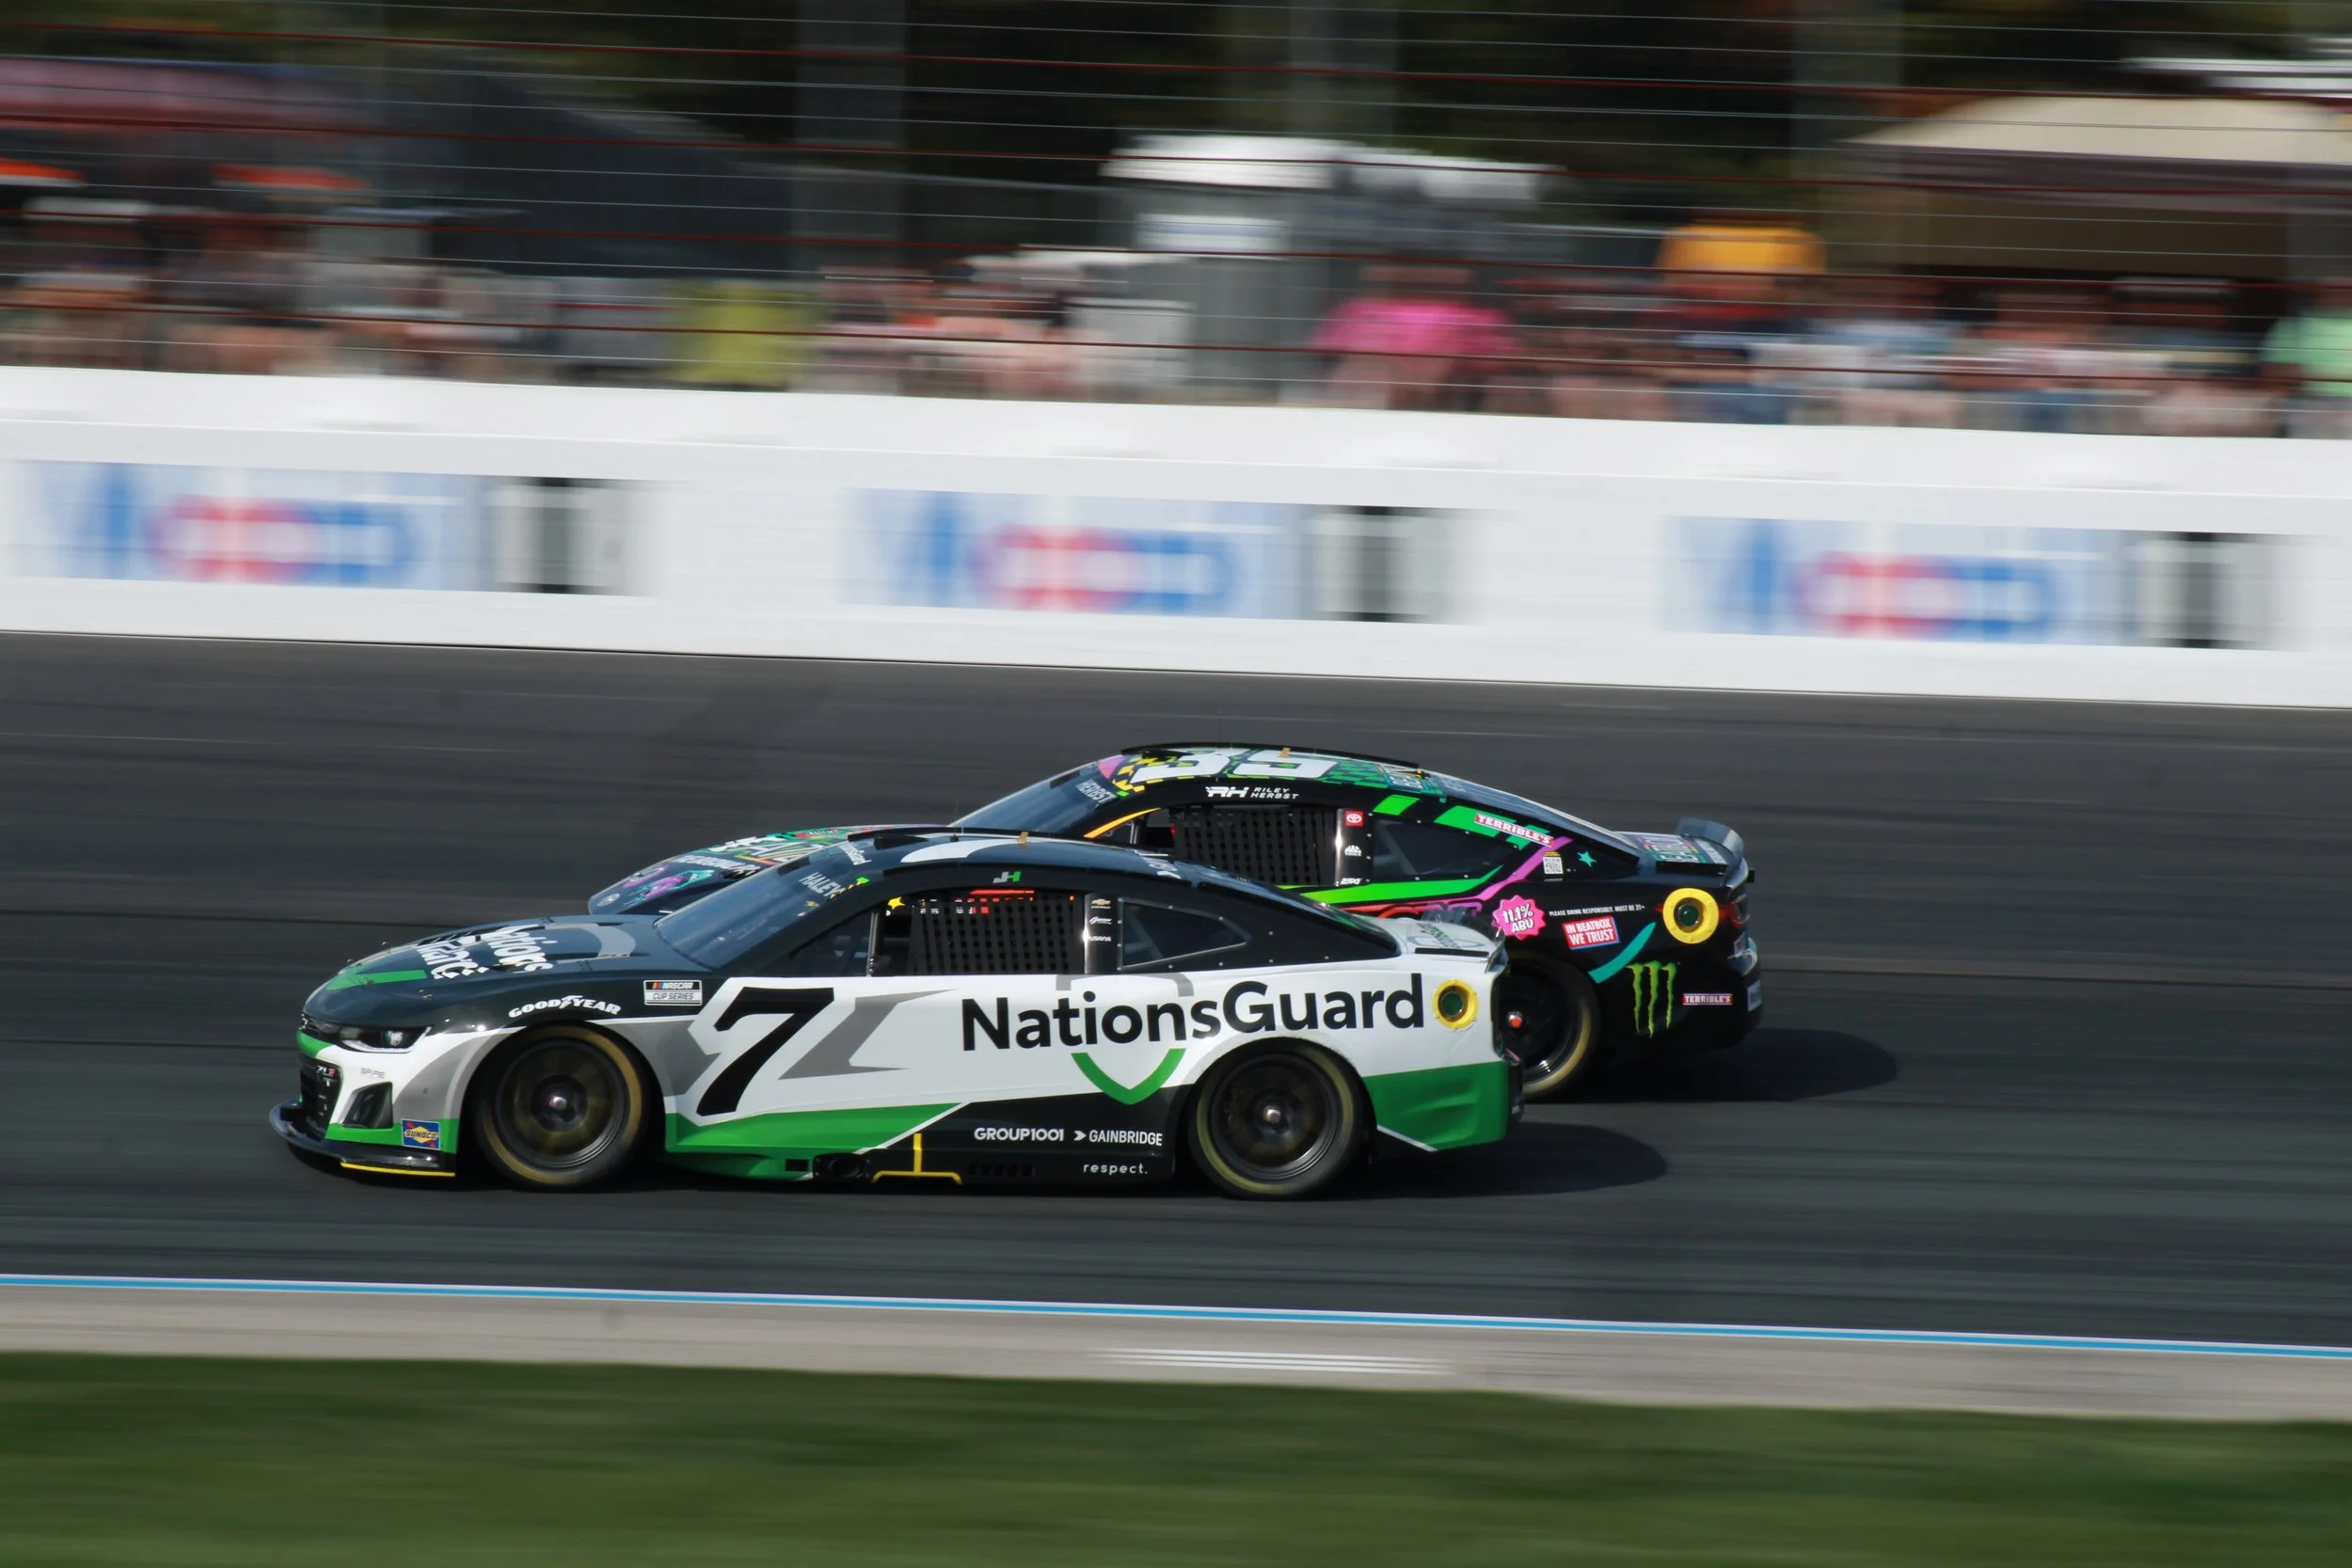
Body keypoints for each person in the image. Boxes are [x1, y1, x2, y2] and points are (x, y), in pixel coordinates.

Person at [2262, 277, 2352, 437]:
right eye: (2333, 289)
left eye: (2346, 289)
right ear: (2317, 293)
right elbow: (2273, 373)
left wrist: (2315, 374)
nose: (2341, 294)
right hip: (2310, 406)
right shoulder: (2293, 327)